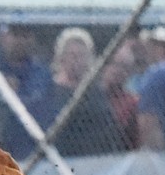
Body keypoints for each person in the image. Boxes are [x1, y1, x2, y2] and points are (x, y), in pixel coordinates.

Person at [38, 27, 125, 157]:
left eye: (82, 55)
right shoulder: (49, 91)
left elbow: (109, 133)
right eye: (72, 55)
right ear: (61, 57)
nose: (76, 60)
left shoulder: (96, 94)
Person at [0, 23, 52, 160]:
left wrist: (16, 95)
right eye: (15, 35)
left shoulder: (41, 73)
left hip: (30, 150)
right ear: (3, 37)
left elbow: (42, 111)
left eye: (25, 36)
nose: (20, 41)